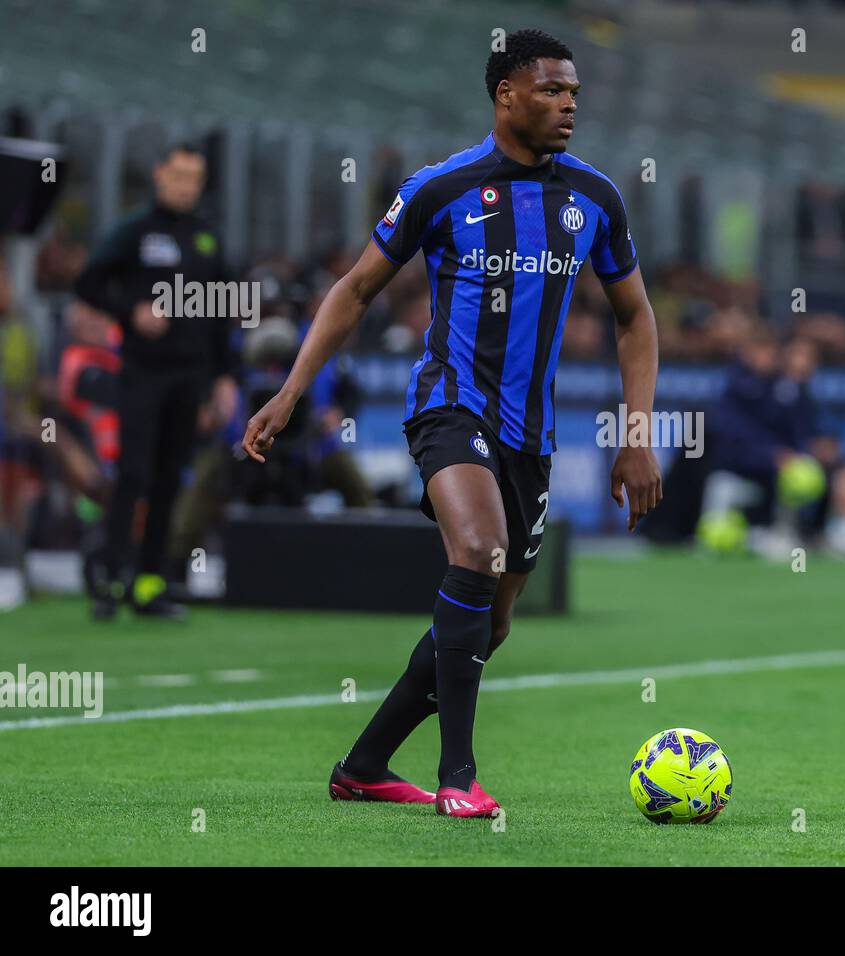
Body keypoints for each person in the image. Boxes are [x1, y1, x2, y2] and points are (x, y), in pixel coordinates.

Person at [242, 29, 661, 818]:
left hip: (529, 436)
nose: (570, 104)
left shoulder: (595, 199)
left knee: (492, 623)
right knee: (477, 549)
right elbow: (356, 290)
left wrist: (636, 435)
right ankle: (458, 777)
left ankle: (364, 764)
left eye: (575, 92)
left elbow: (636, 319)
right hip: (449, 406)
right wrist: (293, 390)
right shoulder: (443, 188)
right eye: (552, 90)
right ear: (506, 95)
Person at [74, 142, 238, 620]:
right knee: (134, 473)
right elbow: (88, 282)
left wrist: (224, 378)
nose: (186, 186)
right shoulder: (134, 231)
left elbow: (224, 309)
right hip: (144, 372)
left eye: (195, 178)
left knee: (170, 478)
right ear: (159, 175)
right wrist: (131, 311)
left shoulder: (207, 237)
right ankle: (111, 578)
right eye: (179, 176)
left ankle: (151, 583)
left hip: (190, 375)